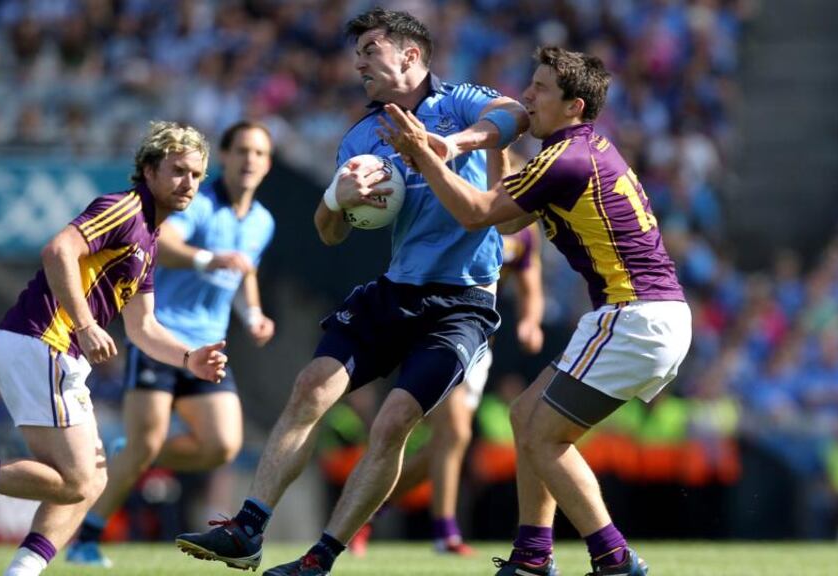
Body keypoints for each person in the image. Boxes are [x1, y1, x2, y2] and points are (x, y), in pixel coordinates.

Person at [174, 7, 528, 575]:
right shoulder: (363, 135)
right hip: (396, 289)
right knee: (311, 387)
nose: (357, 62)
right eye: (356, 52)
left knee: (392, 424)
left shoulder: (457, 100)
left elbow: (515, 114)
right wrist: (337, 198)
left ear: (409, 56)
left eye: (370, 50)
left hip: (462, 302)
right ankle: (248, 529)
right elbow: (327, 231)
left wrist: (449, 145)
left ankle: (320, 557)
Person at [380, 47, 691, 576]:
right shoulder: (580, 150)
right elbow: (504, 220)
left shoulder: (563, 159)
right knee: (525, 415)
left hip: (633, 317)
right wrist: (499, 144)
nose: (526, 96)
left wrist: (423, 153)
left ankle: (614, 559)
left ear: (574, 105)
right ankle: (531, 557)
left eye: (541, 89)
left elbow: (476, 214)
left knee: (545, 436)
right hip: (643, 316)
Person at [0, 121, 228, 576]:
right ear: (149, 170)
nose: (188, 183)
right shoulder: (124, 208)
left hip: (46, 349)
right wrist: (86, 323)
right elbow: (58, 249)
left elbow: (144, 327)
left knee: (91, 481)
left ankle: (21, 571)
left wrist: (189, 357)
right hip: (42, 340)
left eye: (196, 175)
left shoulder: (150, 241)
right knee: (78, 479)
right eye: (177, 170)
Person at [67, 121, 277, 567]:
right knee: (146, 445)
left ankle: (131, 454)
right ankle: (87, 535)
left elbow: (244, 271)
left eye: (258, 153)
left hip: (208, 346)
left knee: (222, 445)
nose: (249, 160)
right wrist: (208, 258)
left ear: (268, 164)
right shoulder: (199, 202)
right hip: (162, 336)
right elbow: (166, 243)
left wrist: (253, 314)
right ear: (224, 157)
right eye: (241, 150)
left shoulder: (263, 221)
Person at [351, 220, 545, 556]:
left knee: (442, 449)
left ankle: (364, 508)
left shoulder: (524, 229)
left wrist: (530, 321)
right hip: (441, 334)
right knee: (455, 434)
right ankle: (445, 533)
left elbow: (531, 282)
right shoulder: (466, 213)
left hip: (481, 346)